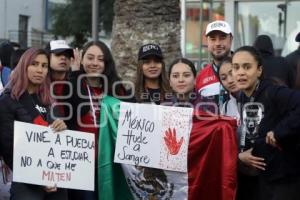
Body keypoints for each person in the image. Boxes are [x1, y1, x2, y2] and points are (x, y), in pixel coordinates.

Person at [232, 46, 300, 200]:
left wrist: (279, 132)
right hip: (257, 180)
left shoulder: (273, 92)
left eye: (247, 67)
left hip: (282, 181)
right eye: (236, 68)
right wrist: (239, 156)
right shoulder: (242, 96)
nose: (241, 72)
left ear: (259, 70)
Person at [0, 47, 67, 200]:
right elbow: (9, 151)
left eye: (44, 66)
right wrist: (38, 179)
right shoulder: (7, 101)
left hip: (55, 181)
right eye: (34, 64)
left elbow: (58, 142)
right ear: (24, 66)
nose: (40, 70)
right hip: (26, 185)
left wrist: (62, 128)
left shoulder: (49, 101)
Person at [65, 40, 126, 200]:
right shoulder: (72, 84)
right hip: (82, 164)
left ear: (106, 63)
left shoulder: (117, 88)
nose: (95, 63)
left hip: (111, 164)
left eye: (100, 59)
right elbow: (74, 104)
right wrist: (76, 74)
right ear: (82, 60)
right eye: (90, 58)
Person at [195, 20, 233, 113]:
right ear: (207, 42)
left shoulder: (243, 70)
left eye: (222, 38)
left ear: (231, 39)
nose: (217, 43)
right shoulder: (201, 77)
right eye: (213, 39)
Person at [217, 57, 240, 121]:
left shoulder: (260, 99)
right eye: (224, 78)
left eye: (232, 74)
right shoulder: (225, 107)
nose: (229, 81)